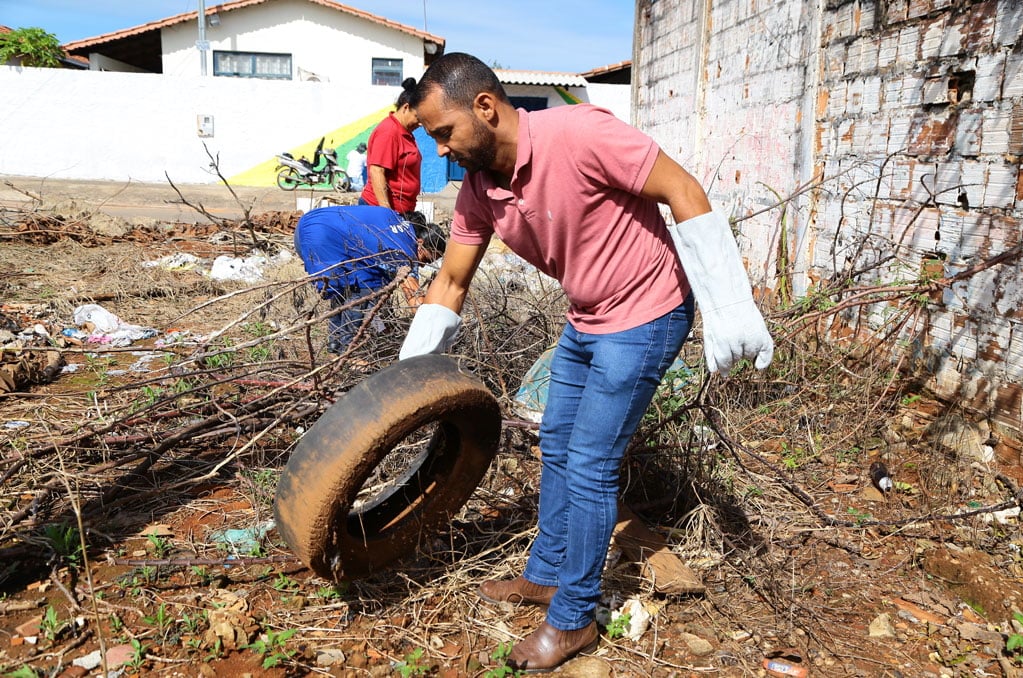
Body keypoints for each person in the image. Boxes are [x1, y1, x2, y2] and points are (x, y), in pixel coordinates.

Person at [398, 53, 773, 672]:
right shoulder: (478, 189)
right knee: (556, 443)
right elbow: (452, 281)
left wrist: (730, 303)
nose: (440, 150)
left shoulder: (583, 134)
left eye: (444, 133)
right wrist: (407, 372)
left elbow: (683, 190)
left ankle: (573, 619)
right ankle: (545, 575)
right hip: (587, 316)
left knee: (592, 464)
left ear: (486, 108)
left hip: (648, 313)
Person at [294, 205, 445, 354]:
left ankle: (336, 344)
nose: (423, 265)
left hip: (310, 223)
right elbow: (415, 302)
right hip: (320, 235)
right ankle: (348, 353)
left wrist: (385, 326)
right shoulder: (404, 248)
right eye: (425, 259)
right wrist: (436, 330)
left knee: (349, 284)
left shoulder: (399, 225)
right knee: (363, 287)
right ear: (420, 243)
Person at [360, 77, 422, 214]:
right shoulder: (389, 132)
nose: (421, 123)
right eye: (418, 118)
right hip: (378, 211)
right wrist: (385, 213)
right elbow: (377, 171)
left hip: (401, 211)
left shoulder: (405, 132)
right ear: (406, 108)